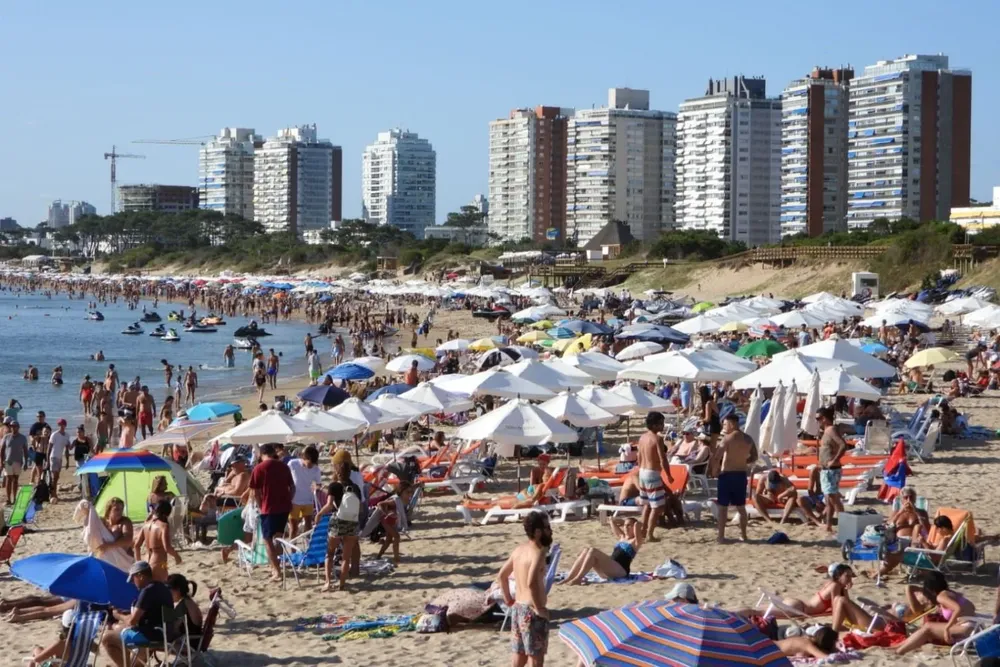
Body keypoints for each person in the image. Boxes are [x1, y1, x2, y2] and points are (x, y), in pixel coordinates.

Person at [496, 512, 553, 667]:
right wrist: (539, 607)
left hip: (518, 608)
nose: (551, 530)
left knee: (519, 656)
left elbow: (502, 576)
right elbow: (532, 582)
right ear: (538, 532)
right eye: (547, 527)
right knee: (535, 658)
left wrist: (508, 600)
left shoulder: (519, 550)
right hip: (532, 611)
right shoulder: (538, 553)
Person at [101, 561, 174, 667]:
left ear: (140, 576)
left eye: (133, 579)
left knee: (107, 638)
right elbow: (150, 612)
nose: (133, 583)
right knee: (121, 632)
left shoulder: (147, 591)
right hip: (166, 633)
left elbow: (132, 621)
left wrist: (117, 615)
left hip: (152, 635)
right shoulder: (162, 588)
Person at [896, 572, 977, 655]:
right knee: (927, 627)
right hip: (974, 627)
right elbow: (971, 607)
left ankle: (899, 651)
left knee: (928, 627)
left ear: (932, 590)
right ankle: (899, 646)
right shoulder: (950, 593)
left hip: (967, 630)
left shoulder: (941, 597)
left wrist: (947, 628)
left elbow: (958, 608)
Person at [249, 443, 295, 582]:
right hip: (284, 507)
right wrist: (289, 500)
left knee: (268, 540)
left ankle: (277, 571)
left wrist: (260, 505)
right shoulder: (283, 466)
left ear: (261, 454)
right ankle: (275, 565)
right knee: (279, 538)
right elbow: (292, 487)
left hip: (268, 508)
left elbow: (255, 492)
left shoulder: (259, 468)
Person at [559, 517, 642, 585]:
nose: (626, 528)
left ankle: (578, 578)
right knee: (586, 550)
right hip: (610, 569)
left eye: (629, 526)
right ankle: (569, 578)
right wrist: (619, 521)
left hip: (621, 571)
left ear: (634, 527)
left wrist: (633, 523)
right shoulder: (622, 537)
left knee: (593, 551)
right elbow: (612, 521)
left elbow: (638, 525)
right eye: (624, 525)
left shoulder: (635, 541)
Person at [715, 412, 757, 543]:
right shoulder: (748, 439)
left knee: (723, 507)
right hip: (740, 474)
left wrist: (714, 469)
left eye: (726, 424)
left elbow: (717, 456)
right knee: (741, 507)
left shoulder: (727, 439)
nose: (724, 427)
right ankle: (743, 535)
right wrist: (743, 461)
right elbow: (754, 456)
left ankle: (721, 536)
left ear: (732, 424)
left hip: (727, 474)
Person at [316, 480, 361, 592]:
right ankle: (342, 584)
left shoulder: (334, 486)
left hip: (338, 521)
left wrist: (319, 514)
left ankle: (328, 582)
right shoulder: (355, 487)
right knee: (346, 558)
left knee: (330, 553)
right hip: (352, 522)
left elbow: (329, 505)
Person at [636, 411, 671, 542]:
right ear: (655, 425)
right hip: (652, 473)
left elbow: (639, 456)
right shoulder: (658, 439)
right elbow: (663, 459)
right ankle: (650, 534)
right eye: (661, 423)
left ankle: (643, 531)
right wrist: (668, 475)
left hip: (642, 472)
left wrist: (641, 469)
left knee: (647, 505)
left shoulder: (642, 438)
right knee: (656, 507)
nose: (663, 426)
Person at [133, 500, 181, 582]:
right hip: (160, 562)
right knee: (161, 586)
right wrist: (177, 556)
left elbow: (137, 546)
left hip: (146, 560)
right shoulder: (163, 526)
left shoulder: (146, 524)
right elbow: (167, 547)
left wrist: (139, 562)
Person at [752, 470, 821, 526]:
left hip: (783, 499)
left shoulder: (783, 479)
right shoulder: (763, 479)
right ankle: (768, 520)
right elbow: (758, 493)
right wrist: (766, 494)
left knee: (793, 495)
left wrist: (781, 496)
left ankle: (784, 519)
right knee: (755, 497)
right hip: (769, 498)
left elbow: (793, 489)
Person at [816, 407, 847, 533]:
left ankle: (845, 524)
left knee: (833, 499)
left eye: (818, 418)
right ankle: (829, 526)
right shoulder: (826, 431)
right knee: (830, 500)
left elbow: (843, 445)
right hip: (827, 469)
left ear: (824, 418)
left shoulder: (831, 429)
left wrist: (834, 459)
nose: (817, 421)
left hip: (831, 470)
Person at [288, 445, 323, 538]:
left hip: (308, 499)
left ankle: (308, 547)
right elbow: (285, 476)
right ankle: (292, 550)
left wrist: (317, 487)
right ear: (304, 457)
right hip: (294, 500)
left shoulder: (316, 469)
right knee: (294, 528)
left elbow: (319, 484)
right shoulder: (292, 464)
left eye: (313, 463)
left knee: (308, 526)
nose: (311, 465)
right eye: (310, 463)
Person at [166, 574, 203, 639]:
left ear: (178, 590)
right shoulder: (188, 601)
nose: (167, 593)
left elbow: (173, 629)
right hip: (192, 639)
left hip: (187, 643)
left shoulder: (184, 605)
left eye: (169, 590)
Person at [1, 420, 28, 504]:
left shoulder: (23, 438)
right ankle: (8, 499)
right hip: (8, 461)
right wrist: (1, 462)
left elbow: (25, 451)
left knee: (16, 480)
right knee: (9, 480)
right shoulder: (6, 437)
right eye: (12, 426)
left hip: (18, 461)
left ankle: (15, 498)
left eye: (15, 426)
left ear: (18, 427)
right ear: (10, 427)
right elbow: (2, 450)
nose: (13, 428)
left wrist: (26, 462)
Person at [47, 419, 71, 501]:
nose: (61, 426)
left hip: (60, 458)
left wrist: (67, 461)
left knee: (57, 477)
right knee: (54, 476)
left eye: (63, 425)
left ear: (65, 425)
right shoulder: (54, 434)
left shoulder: (67, 435)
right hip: (53, 457)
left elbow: (67, 449)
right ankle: (53, 494)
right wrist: (47, 461)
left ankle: (53, 493)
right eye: (60, 425)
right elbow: (49, 448)